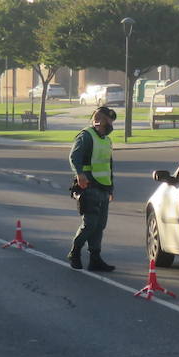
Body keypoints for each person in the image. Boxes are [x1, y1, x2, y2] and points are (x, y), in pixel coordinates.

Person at [67, 106, 117, 271]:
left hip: (103, 187)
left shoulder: (106, 140)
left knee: (100, 225)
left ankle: (95, 258)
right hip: (88, 186)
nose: (110, 125)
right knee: (90, 224)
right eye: (108, 121)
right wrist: (80, 174)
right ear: (99, 120)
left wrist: (111, 188)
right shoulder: (86, 136)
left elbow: (109, 165)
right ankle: (75, 252)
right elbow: (74, 157)